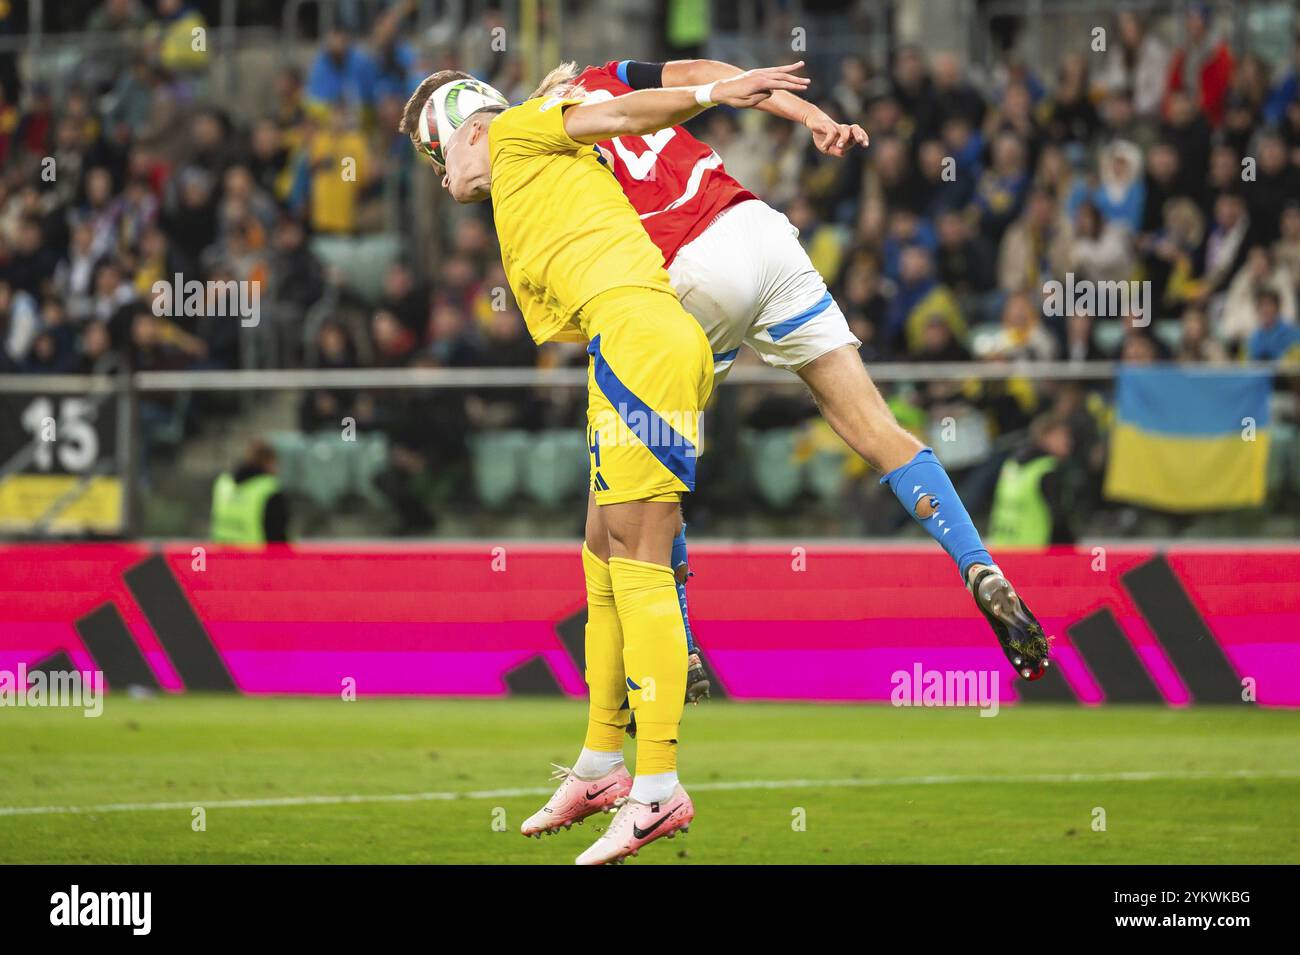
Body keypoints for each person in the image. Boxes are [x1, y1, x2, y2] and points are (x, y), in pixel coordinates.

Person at [401, 63, 812, 865]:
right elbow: (597, 127)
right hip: (621, 346)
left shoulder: (518, 131)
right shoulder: (532, 156)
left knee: (640, 565)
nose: (440, 175)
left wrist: (709, 94)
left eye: (434, 153)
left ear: (467, 131)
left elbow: (621, 112)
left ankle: (657, 787)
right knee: (601, 550)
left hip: (640, 340)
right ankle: (600, 762)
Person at [210, 440, 289, 544]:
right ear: (269, 462)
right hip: (255, 558)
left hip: (222, 556)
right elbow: (277, 537)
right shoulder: (269, 489)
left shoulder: (223, 483)